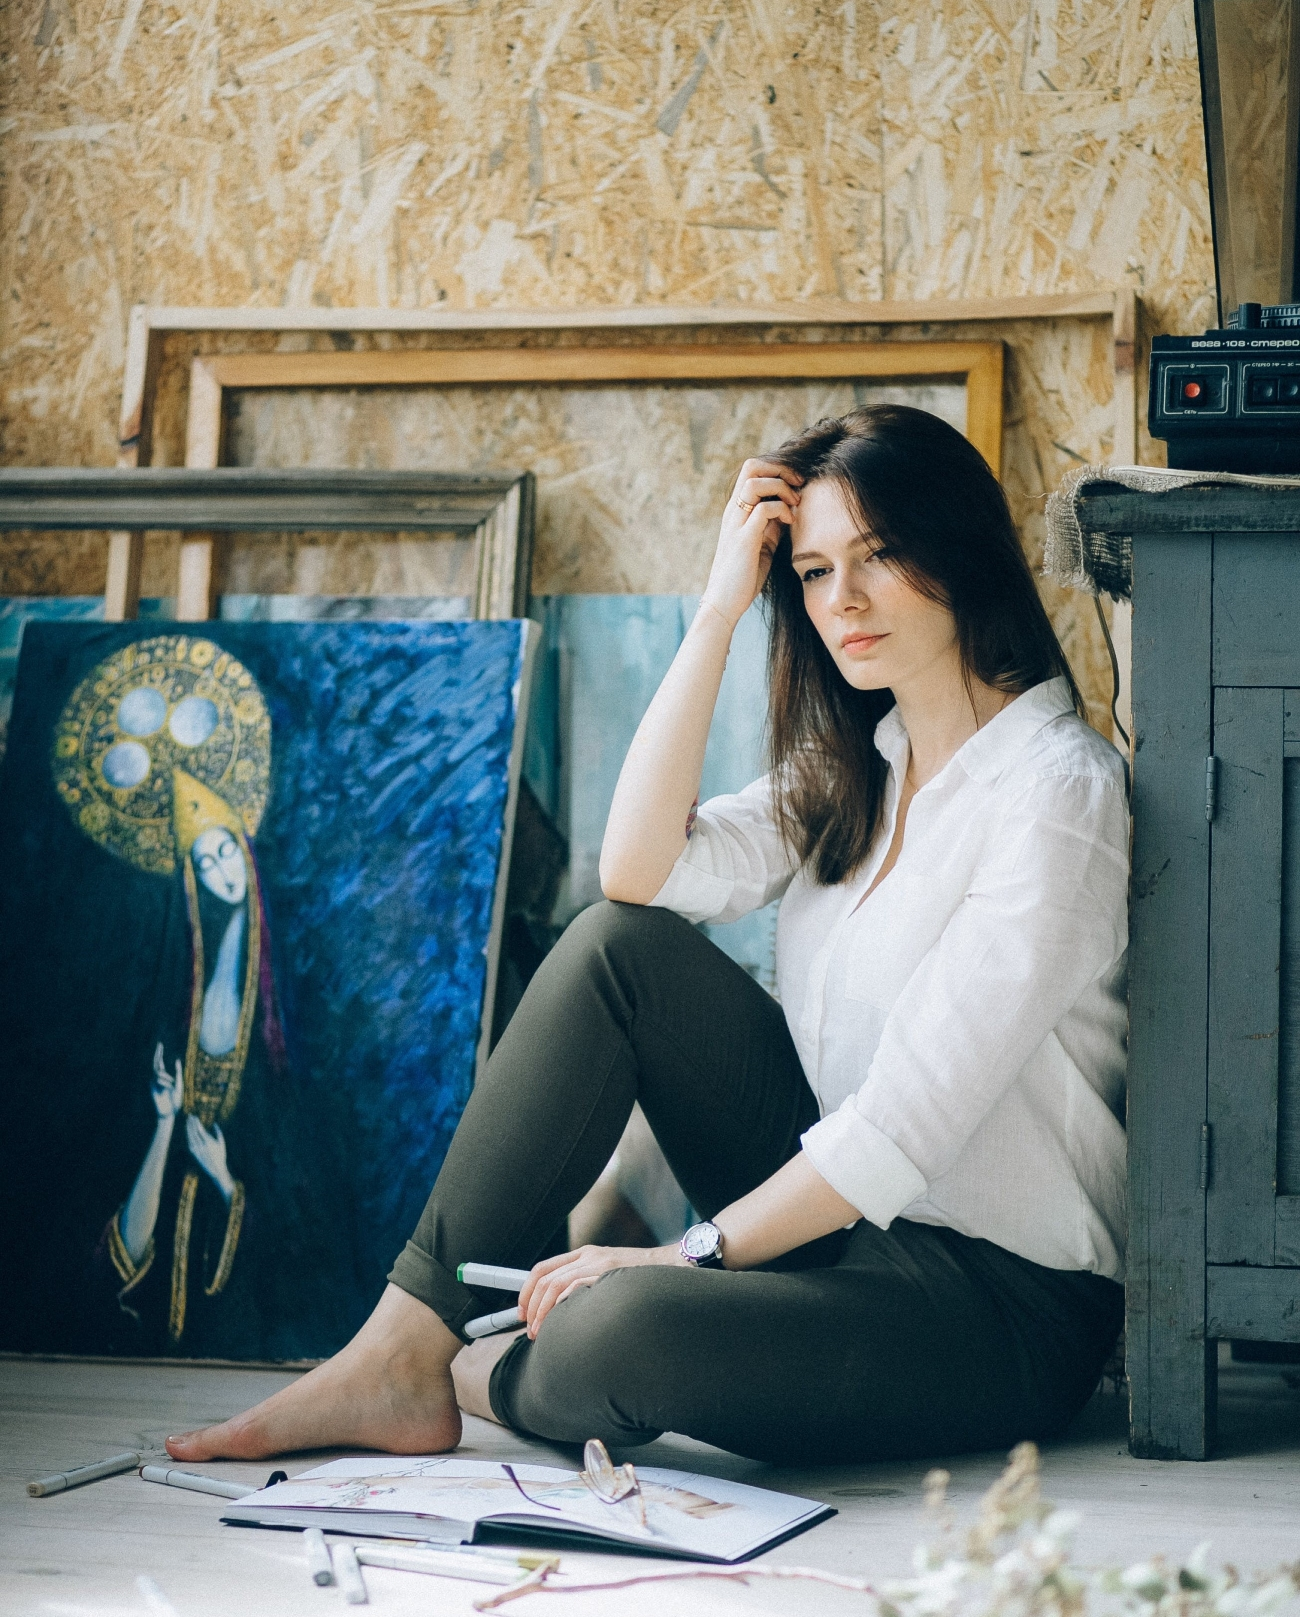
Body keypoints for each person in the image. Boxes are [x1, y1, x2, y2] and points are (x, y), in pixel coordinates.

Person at [167, 404, 1128, 1467]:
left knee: (619, 1329)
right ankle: (400, 1347)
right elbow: (637, 873)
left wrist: (683, 1259)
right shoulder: (860, 767)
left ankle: (448, 1377)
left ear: (961, 550)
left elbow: (901, 1130)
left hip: (993, 1304)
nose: (843, 600)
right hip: (835, 1228)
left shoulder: (1057, 794)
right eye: (810, 572)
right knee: (615, 951)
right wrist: (719, 610)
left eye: (880, 555)